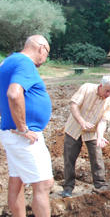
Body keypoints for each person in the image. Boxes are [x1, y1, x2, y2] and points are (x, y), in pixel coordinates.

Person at [0, 35, 54, 217]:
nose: (44, 60)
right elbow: (14, 94)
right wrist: (22, 128)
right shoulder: (25, 63)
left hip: (11, 133)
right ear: (41, 49)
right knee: (44, 183)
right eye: (47, 54)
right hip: (24, 137)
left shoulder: (8, 61)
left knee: (17, 181)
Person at [62, 75, 110, 197]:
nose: (109, 94)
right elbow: (73, 105)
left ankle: (101, 186)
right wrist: (82, 122)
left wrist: (100, 137)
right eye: (107, 91)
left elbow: (103, 122)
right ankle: (68, 187)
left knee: (97, 159)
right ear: (101, 85)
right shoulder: (86, 88)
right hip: (74, 128)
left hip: (92, 132)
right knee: (69, 159)